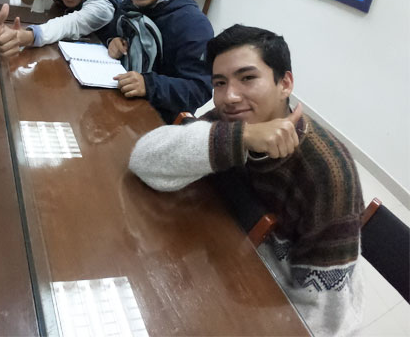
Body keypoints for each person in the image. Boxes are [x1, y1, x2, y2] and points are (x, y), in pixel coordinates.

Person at [128, 25, 364, 336]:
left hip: (273, 299)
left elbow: (324, 314)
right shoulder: (232, 122)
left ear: (285, 83)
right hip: (223, 255)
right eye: (220, 83)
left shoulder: (326, 172)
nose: (230, 96)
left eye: (248, 78)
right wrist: (244, 137)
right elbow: (143, 159)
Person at [105, 0, 213, 122]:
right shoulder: (131, 5)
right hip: (121, 98)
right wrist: (113, 40)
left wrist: (148, 85)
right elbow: (113, 29)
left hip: (158, 119)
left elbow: (199, 90)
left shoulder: (193, 25)